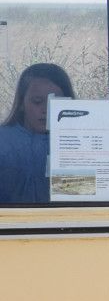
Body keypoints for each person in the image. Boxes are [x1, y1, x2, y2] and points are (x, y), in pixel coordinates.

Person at [0, 63, 72, 204]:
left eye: (55, 102)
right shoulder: (3, 141)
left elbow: (84, 193)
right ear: (21, 103)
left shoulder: (79, 141)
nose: (46, 109)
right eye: (37, 102)